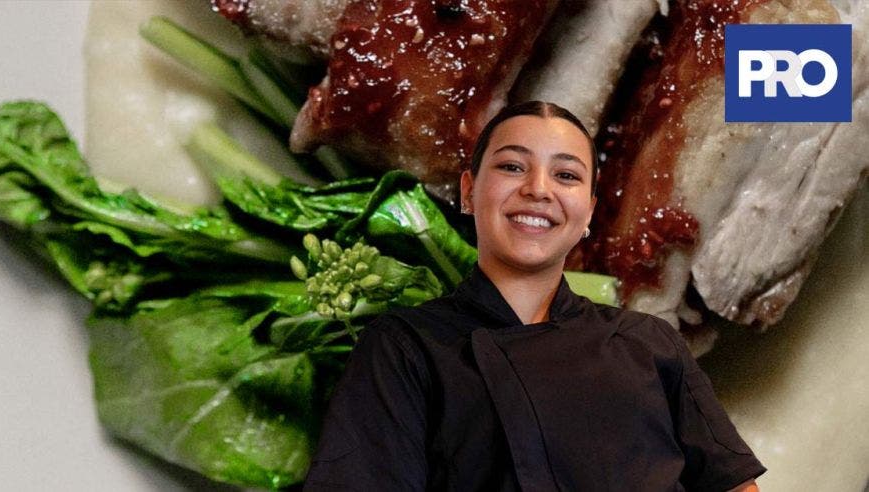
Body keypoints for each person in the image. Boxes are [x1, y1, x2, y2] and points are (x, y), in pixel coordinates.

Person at [303, 101, 766, 491]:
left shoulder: (649, 341)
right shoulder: (405, 347)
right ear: (468, 191)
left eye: (566, 176)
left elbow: (734, 484)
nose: (538, 189)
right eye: (511, 166)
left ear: (588, 212)